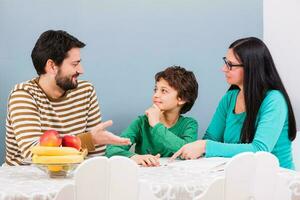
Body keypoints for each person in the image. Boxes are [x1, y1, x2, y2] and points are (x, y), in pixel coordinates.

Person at [5, 30, 130, 166]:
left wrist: (95, 141)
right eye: (74, 64)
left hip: (70, 176)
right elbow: (34, 153)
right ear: (52, 66)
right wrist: (88, 140)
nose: (81, 70)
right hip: (27, 181)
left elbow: (96, 155)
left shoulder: (85, 91)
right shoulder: (23, 95)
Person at [171, 37, 297, 169]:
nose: (224, 69)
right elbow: (211, 138)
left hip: (277, 180)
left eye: (230, 65)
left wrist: (205, 146)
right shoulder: (230, 98)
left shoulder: (274, 100)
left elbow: (260, 150)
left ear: (250, 68)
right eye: (225, 62)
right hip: (241, 177)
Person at [106, 66, 199, 167]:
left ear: (181, 99)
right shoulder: (142, 122)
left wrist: (156, 125)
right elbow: (111, 149)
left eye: (164, 91)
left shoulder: (189, 125)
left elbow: (187, 151)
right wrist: (134, 157)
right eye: (156, 90)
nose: (156, 95)